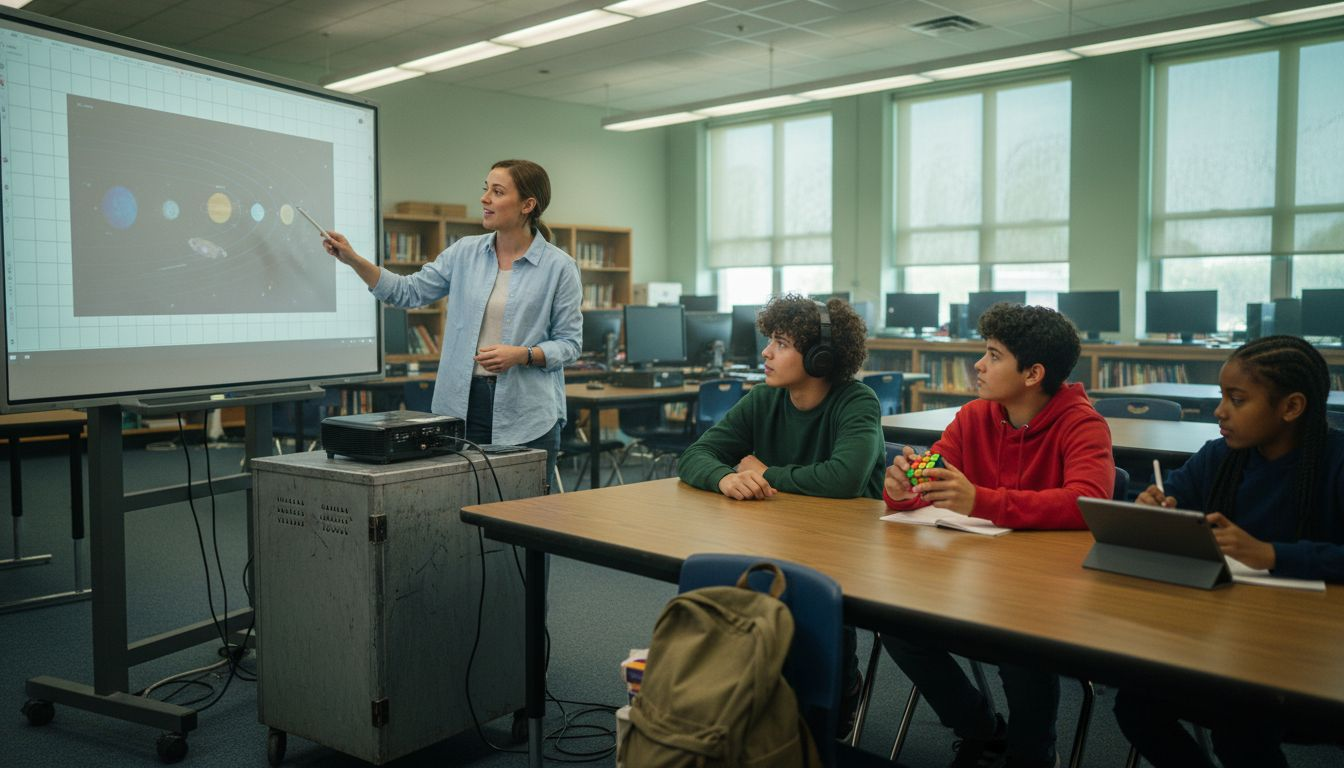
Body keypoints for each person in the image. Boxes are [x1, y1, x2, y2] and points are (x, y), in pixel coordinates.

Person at [882, 302, 1114, 768]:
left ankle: (1032, 755)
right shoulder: (974, 416)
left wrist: (981, 500)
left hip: (1048, 591)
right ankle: (981, 729)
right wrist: (903, 489)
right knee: (897, 627)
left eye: (992, 355)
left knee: (1020, 649)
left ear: (1032, 373)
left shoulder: (1082, 423)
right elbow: (932, 479)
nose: (978, 365)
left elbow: (1089, 502)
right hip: (977, 577)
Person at [1114, 334, 1344, 768]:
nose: (1220, 411)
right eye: (1222, 396)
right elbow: (1173, 498)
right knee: (1135, 706)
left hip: (1313, 650)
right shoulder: (1220, 456)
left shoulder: (1335, 463)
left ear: (1291, 407)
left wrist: (1272, 554)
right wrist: (1154, 509)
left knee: (1240, 728)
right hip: (1225, 636)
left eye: (1237, 400)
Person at [677, 294, 885, 736]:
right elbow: (696, 454)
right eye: (770, 341)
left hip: (851, 548)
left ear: (820, 355)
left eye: (782, 343)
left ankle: (841, 687)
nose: (766, 353)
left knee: (818, 600)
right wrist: (724, 479)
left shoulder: (856, 401)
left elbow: (843, 479)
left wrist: (765, 471)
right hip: (784, 537)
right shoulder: (763, 400)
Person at [322, 160, 581, 489]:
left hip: (527, 415)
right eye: (485, 189)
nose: (485, 198)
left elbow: (570, 345)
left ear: (528, 205)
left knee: (528, 519)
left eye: (497, 192)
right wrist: (353, 259)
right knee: (460, 514)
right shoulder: (464, 253)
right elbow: (408, 292)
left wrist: (523, 354)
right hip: (461, 405)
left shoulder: (559, 267)